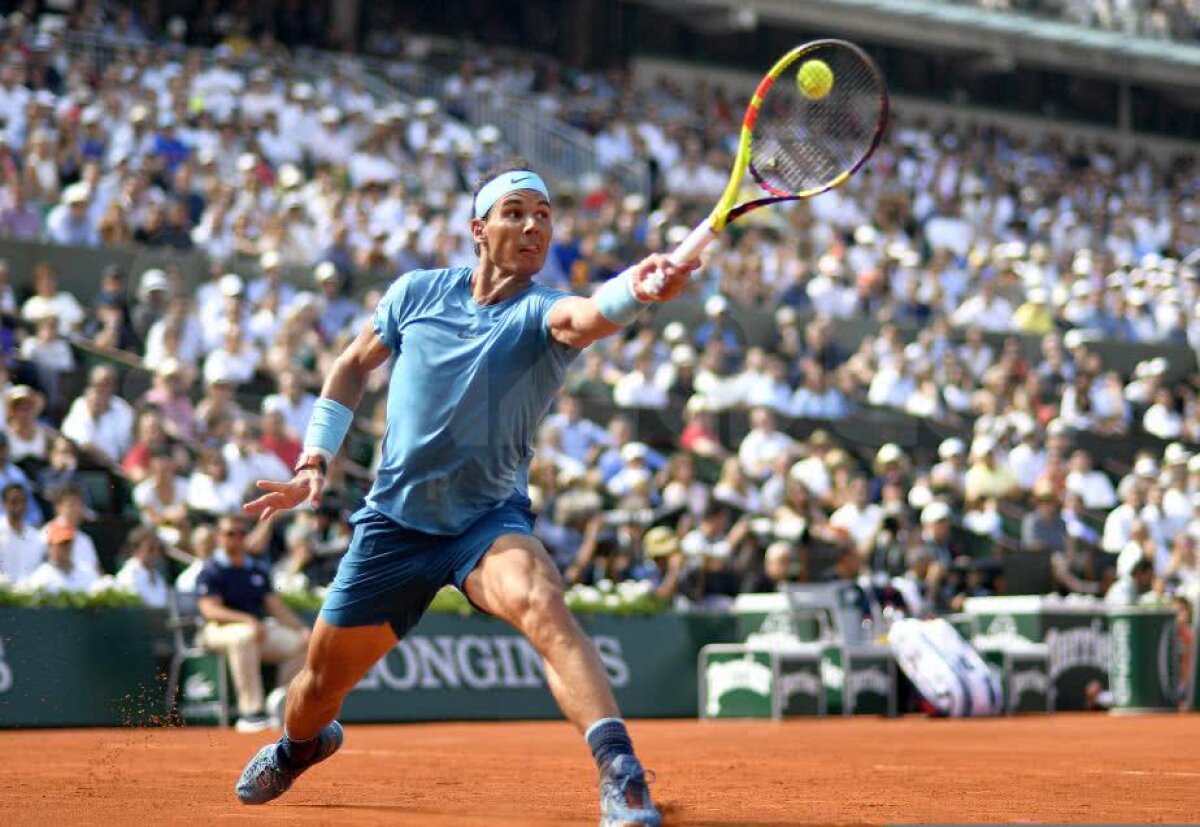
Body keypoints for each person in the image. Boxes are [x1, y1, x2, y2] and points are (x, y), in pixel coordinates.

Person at [235, 163, 695, 825]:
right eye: (515, 212)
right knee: (314, 690)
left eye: (543, 214)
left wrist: (637, 288)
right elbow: (349, 366)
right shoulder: (416, 293)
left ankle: (621, 773)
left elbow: (589, 313)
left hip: (484, 522)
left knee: (541, 601)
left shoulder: (542, 312)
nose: (533, 224)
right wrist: (314, 459)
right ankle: (300, 746)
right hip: (393, 526)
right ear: (479, 229)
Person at [197, 513, 311, 733]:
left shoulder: (256, 568)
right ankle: (251, 712)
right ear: (219, 537)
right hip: (217, 631)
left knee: (302, 642)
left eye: (241, 533)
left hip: (257, 630)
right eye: (230, 533)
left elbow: (276, 607)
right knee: (244, 636)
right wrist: (247, 620)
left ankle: (281, 699)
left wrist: (302, 629)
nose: (237, 538)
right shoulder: (211, 569)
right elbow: (209, 610)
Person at [22, 518, 98, 593]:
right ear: (50, 546)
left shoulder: (87, 572)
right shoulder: (40, 579)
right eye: (61, 543)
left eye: (68, 543)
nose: (65, 548)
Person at [115, 526, 168, 608]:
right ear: (135, 550)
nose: (156, 554)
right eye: (150, 549)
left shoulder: (158, 577)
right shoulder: (127, 577)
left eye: (158, 549)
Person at [0, 482, 43, 581]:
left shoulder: (35, 536)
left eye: (22, 501)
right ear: (4, 505)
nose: (19, 506)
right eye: (14, 502)